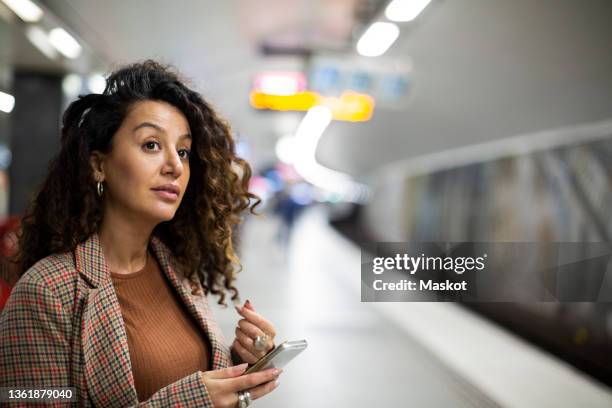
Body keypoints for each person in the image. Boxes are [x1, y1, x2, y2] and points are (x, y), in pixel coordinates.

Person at [0, 60, 282, 407]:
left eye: (183, 151)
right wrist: (188, 402)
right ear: (99, 165)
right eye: (151, 144)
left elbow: (178, 378)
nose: (175, 166)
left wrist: (240, 366)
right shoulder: (47, 291)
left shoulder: (179, 273)